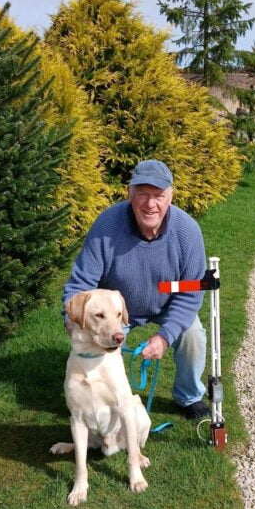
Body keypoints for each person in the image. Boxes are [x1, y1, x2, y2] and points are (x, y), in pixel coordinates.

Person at [62, 160, 210, 420]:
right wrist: (73, 320)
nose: (150, 204)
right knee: (95, 339)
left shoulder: (188, 232)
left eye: (158, 196)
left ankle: (189, 397)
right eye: (142, 194)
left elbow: (190, 294)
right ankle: (96, 398)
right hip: (117, 311)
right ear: (129, 193)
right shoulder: (107, 226)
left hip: (168, 305)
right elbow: (81, 282)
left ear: (170, 197)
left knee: (193, 334)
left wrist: (164, 337)